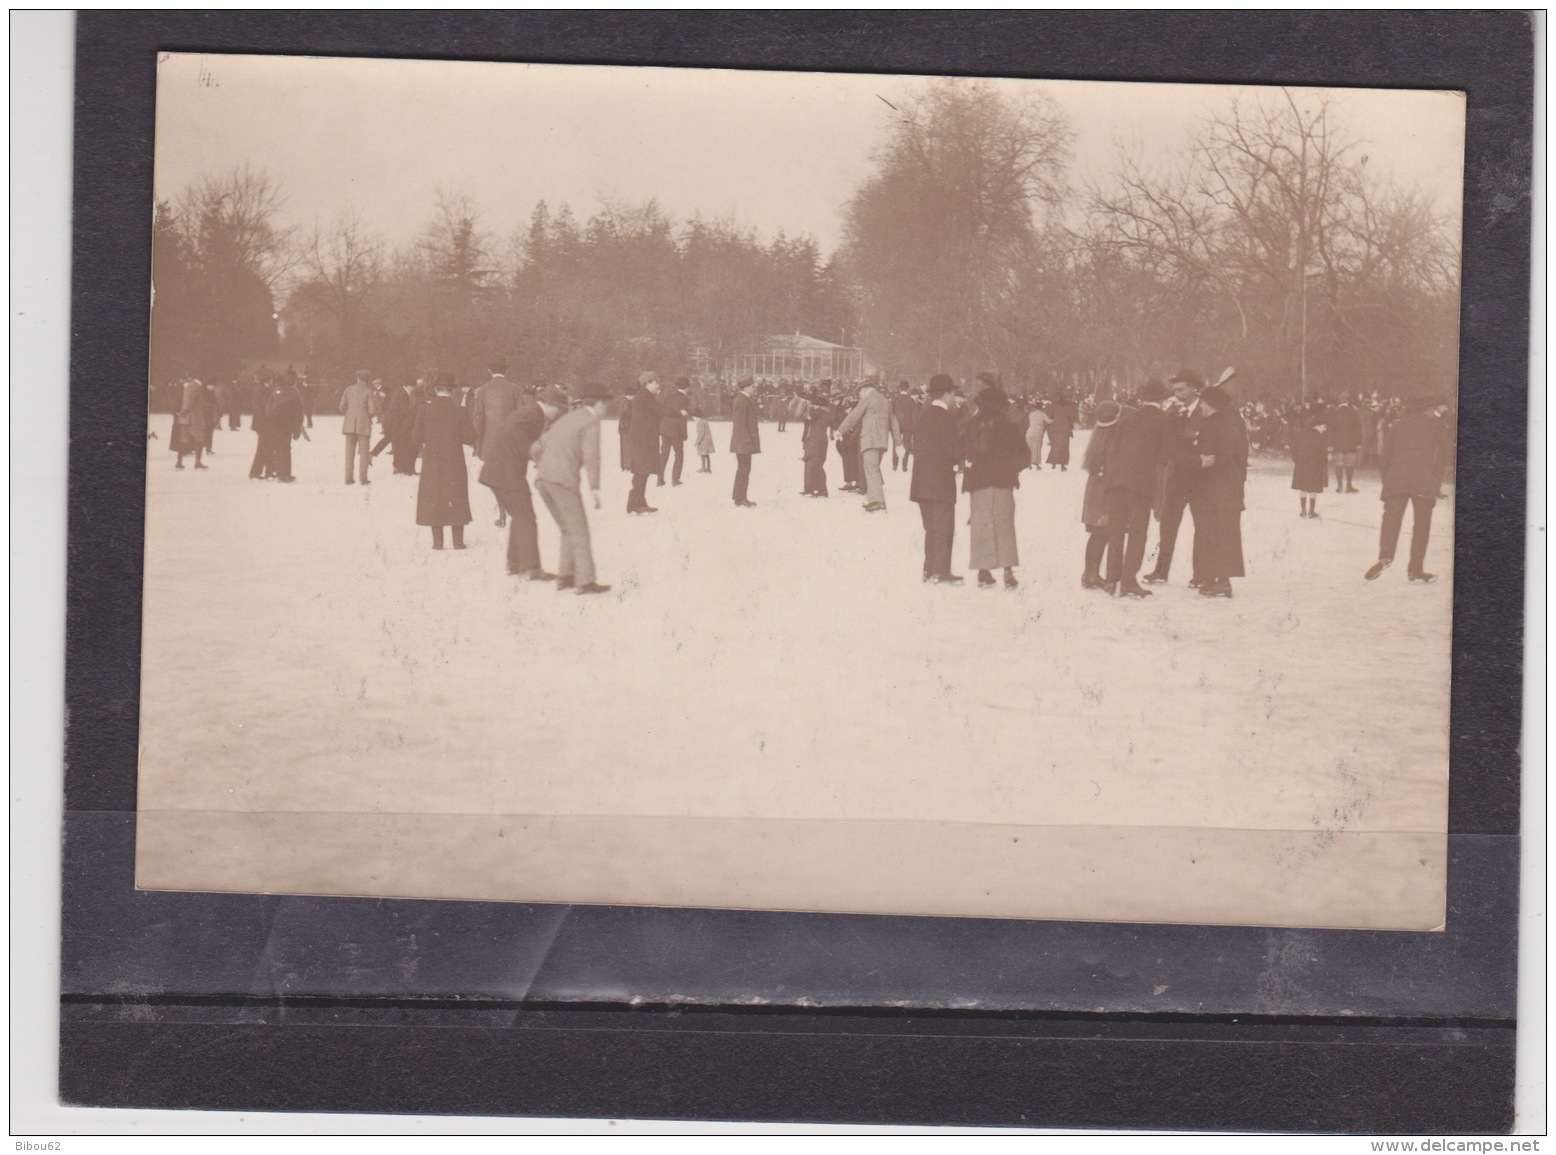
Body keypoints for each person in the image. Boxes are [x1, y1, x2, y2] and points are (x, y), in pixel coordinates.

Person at [479, 384, 566, 581]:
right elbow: (522, 439)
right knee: (525, 516)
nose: (559, 413)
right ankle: (531, 568)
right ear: (548, 404)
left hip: (501, 472)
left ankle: (515, 564)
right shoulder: (532, 415)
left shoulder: (532, 413)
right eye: (559, 408)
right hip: (505, 473)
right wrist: (537, 456)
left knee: (520, 515)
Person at [533, 385, 612, 594]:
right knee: (580, 531)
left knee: (568, 528)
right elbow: (591, 456)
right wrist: (595, 488)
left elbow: (536, 448)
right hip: (563, 481)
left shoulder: (566, 418)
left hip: (543, 480)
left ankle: (565, 577)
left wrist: (545, 466)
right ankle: (585, 582)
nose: (607, 411)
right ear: (599, 404)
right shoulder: (591, 422)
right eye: (606, 406)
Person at [1365, 396, 1451, 583]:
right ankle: (1415, 569)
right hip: (1424, 480)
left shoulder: (1397, 425)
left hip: (1396, 479)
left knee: (1391, 520)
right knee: (1421, 526)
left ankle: (1385, 558)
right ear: (1429, 409)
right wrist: (1435, 482)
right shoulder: (1436, 426)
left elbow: (1384, 457)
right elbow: (1445, 454)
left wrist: (1387, 480)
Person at [1103, 379, 1171, 597]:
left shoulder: (1128, 419)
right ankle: (1128, 580)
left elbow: (1114, 450)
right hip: (1141, 483)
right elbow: (1166, 454)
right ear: (1161, 400)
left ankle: (1111, 580)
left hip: (1116, 482)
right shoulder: (1163, 420)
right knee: (1137, 532)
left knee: (1115, 531)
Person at [962, 382, 1029, 589]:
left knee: (982, 523)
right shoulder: (1009, 426)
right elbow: (1025, 456)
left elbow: (963, 449)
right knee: (1004, 524)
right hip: (1003, 481)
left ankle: (983, 570)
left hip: (978, 481)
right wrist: (1012, 468)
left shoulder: (972, 425)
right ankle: (1007, 571)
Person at [1142, 371, 1207, 586]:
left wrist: (1196, 435)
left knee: (1202, 526)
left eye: (1182, 389)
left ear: (1194, 389)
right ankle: (1161, 571)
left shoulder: (1206, 411)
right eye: (1176, 390)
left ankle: (1201, 574)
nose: (1177, 394)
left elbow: (1217, 436)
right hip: (1177, 476)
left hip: (1201, 478)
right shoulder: (1172, 412)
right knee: (1168, 525)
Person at [1193, 383, 1249, 599]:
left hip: (1212, 485)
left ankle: (1210, 580)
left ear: (1211, 405)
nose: (1201, 408)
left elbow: (1207, 455)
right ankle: (1222, 581)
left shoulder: (1209, 425)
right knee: (1227, 533)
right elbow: (1242, 455)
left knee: (1208, 531)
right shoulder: (1234, 423)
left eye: (1203, 404)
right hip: (1231, 484)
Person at [411, 372, 477, 549]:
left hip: (431, 461)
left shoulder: (425, 410)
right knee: (456, 495)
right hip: (454, 460)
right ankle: (458, 541)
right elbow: (471, 437)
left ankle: (437, 542)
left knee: (434, 496)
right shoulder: (460, 411)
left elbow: (416, 437)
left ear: (435, 389)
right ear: (452, 390)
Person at [910, 375, 962, 584]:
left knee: (930, 528)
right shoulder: (947, 418)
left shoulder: (923, 416)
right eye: (953, 394)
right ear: (947, 394)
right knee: (944, 528)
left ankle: (929, 569)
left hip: (921, 482)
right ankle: (941, 571)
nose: (954, 399)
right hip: (941, 482)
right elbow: (952, 450)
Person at [471, 355, 523, 527]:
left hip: (489, 444)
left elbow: (479, 419)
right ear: (506, 370)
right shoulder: (516, 390)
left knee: (496, 479)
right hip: (511, 443)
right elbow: (522, 418)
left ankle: (502, 515)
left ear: (489, 371)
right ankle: (511, 511)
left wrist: (477, 444)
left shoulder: (482, 391)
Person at [834, 377, 899, 513]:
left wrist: (840, 430)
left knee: (871, 470)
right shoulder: (886, 400)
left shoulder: (867, 398)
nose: (860, 396)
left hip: (869, 440)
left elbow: (854, 415)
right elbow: (893, 421)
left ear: (865, 390)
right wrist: (898, 442)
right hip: (882, 441)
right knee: (873, 469)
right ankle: (872, 498)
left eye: (860, 393)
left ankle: (877, 502)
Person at [1079, 400, 1124, 589]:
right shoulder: (1113, 439)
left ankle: (1089, 573)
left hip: (1095, 489)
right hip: (1105, 491)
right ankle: (1092, 574)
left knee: (1097, 534)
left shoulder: (1097, 436)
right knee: (1103, 534)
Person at [626, 372, 662, 513]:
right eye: (656, 383)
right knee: (641, 472)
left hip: (643, 440)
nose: (658, 385)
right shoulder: (644, 398)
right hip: (643, 441)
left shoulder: (645, 397)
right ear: (647, 383)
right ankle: (633, 505)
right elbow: (660, 410)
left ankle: (639, 502)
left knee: (643, 472)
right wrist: (679, 412)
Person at [339, 370, 379, 486]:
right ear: (367, 379)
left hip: (349, 424)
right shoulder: (369, 391)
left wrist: (350, 414)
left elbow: (342, 406)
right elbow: (372, 410)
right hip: (364, 424)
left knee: (349, 453)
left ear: (357, 378)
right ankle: (363, 478)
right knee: (364, 452)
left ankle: (348, 478)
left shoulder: (348, 389)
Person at [376, 377, 420, 475]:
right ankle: (402, 468)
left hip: (396, 423)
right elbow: (405, 410)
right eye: (414, 386)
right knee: (400, 444)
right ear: (409, 385)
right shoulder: (403, 393)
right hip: (394, 424)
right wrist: (416, 412)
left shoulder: (403, 392)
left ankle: (401, 468)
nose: (415, 388)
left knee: (398, 444)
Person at [266, 374, 305, 482]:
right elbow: (299, 411)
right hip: (288, 425)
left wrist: (270, 420)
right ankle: (285, 474)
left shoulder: (275, 392)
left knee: (278, 448)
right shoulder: (295, 393)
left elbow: (268, 409)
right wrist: (297, 428)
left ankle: (279, 473)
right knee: (285, 449)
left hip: (276, 424)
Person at [1291, 414, 1330, 519]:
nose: (1325, 429)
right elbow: (1323, 453)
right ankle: (1311, 511)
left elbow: (1293, 449)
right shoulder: (1320, 438)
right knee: (1313, 489)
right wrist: (1322, 463)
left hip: (1301, 465)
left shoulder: (1301, 434)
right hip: (1315, 466)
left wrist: (1298, 461)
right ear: (1317, 426)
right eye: (1324, 427)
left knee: (1302, 488)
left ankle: (1303, 510)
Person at [730, 376, 760, 507]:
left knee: (743, 469)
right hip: (743, 442)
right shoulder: (742, 401)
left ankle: (739, 496)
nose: (754, 388)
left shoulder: (743, 399)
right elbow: (740, 424)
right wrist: (747, 442)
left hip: (743, 442)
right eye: (752, 386)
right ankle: (740, 498)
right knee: (744, 469)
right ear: (746, 387)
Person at [657, 377, 691, 487]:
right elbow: (683, 417)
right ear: (686, 387)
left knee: (664, 454)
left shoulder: (668, 396)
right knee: (679, 454)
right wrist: (684, 433)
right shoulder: (685, 399)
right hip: (676, 429)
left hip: (665, 427)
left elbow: (663, 411)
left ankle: (660, 479)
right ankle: (675, 479)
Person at [170, 377, 209, 470]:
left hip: (186, 419)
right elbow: (188, 403)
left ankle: (179, 463)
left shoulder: (190, 385)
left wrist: (182, 416)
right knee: (200, 438)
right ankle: (197, 463)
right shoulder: (195, 387)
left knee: (185, 440)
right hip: (193, 419)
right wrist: (184, 414)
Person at [1327, 395, 1363, 493]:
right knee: (1350, 464)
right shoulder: (1353, 413)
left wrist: (1330, 444)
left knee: (1338, 464)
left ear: (1339, 403)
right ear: (1347, 403)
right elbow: (1358, 429)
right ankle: (1349, 485)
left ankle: (1339, 486)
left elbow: (1330, 429)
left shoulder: (1333, 413)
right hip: (1351, 444)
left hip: (1337, 443)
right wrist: (1358, 442)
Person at [801, 391, 832, 497]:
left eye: (813, 404)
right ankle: (812, 489)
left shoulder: (821, 413)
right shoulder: (819, 413)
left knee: (814, 465)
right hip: (812, 442)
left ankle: (817, 490)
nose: (812, 406)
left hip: (817, 443)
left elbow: (812, 415)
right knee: (812, 465)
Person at [891, 381, 917, 472]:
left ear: (899, 389)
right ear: (908, 389)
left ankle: (894, 465)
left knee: (896, 444)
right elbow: (915, 414)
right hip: (908, 425)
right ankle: (904, 466)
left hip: (896, 425)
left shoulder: (895, 399)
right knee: (907, 444)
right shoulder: (911, 400)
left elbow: (891, 413)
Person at [1046, 399, 1074, 470]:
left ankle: (1054, 463)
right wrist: (1071, 429)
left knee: (1055, 446)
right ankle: (1063, 465)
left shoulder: (1054, 406)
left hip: (1056, 428)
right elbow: (1070, 418)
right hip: (1065, 428)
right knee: (1064, 447)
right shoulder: (1068, 407)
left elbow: (1051, 417)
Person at [1025, 401, 1051, 473]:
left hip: (1029, 432)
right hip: (1038, 432)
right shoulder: (1042, 414)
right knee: (1037, 448)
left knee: (1029, 448)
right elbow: (1049, 421)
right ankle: (1036, 465)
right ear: (1041, 408)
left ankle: (1029, 464)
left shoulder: (1031, 414)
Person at [693, 409, 715, 473]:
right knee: (706, 454)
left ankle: (703, 468)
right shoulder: (704, 421)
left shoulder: (700, 423)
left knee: (702, 455)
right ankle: (708, 468)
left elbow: (701, 433)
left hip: (703, 441)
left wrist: (697, 441)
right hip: (707, 441)